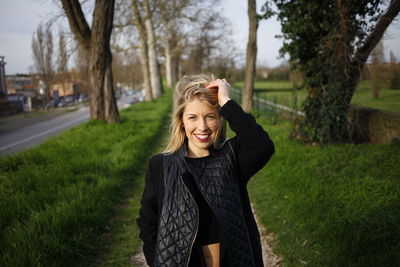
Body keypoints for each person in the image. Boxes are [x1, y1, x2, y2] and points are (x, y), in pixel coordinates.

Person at [136, 74, 275, 267]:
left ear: (220, 119)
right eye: (192, 117)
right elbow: (148, 222)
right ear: (181, 121)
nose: (202, 127)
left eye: (210, 116)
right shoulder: (160, 165)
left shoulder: (233, 157)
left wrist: (226, 102)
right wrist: (157, 260)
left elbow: (262, 146)